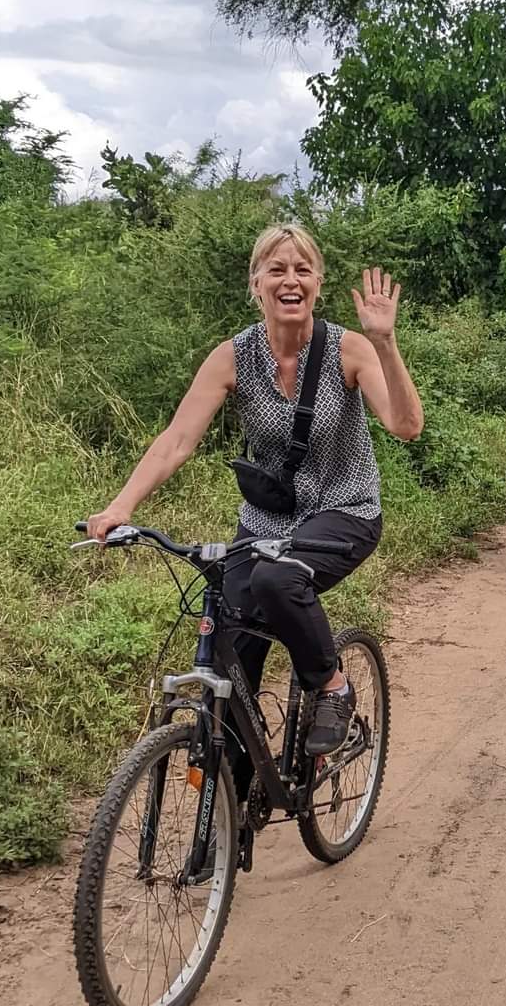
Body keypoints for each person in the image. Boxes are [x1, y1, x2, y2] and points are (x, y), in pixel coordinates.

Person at [86, 224, 424, 768]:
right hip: (265, 524)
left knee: (277, 579)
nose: (291, 280)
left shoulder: (350, 349)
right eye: (277, 269)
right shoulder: (233, 357)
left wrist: (385, 343)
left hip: (345, 511)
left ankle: (333, 688)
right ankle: (232, 813)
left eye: (303, 269)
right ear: (256, 283)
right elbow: (176, 441)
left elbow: (406, 426)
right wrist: (120, 506)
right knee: (228, 656)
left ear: (318, 282)